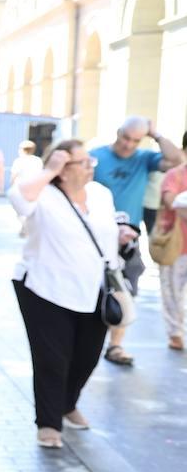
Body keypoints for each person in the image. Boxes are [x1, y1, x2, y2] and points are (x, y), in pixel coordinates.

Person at [8, 140, 131, 448]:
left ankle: (67, 403)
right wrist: (49, 171)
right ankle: (49, 423)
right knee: (52, 358)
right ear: (63, 168)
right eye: (83, 162)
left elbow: (106, 231)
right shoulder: (43, 193)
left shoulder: (100, 194)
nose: (91, 166)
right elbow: (19, 199)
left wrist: (122, 236)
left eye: (91, 161)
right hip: (44, 289)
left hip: (94, 288)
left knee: (87, 356)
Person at [90, 117, 185, 365]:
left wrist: (155, 134)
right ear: (117, 132)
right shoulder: (95, 156)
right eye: (126, 138)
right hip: (95, 233)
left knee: (125, 289)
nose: (129, 145)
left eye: (135, 140)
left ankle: (116, 345)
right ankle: (88, 342)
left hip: (128, 236)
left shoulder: (143, 158)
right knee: (93, 290)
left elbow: (176, 160)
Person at [156, 158, 187, 350]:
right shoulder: (175, 175)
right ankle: (175, 333)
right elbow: (170, 202)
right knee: (172, 292)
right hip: (175, 245)